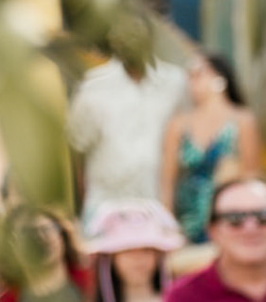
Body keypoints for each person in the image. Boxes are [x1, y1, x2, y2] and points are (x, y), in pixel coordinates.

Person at [68, 23, 188, 217]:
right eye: (123, 36)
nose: (130, 42)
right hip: (106, 205)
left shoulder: (175, 83)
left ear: (150, 39)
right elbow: (78, 149)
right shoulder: (93, 87)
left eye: (136, 35)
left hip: (159, 206)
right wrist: (86, 203)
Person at [160, 50, 261, 243]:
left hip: (230, 218)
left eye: (199, 73)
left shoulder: (243, 121)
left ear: (219, 78)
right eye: (189, 76)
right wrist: (167, 226)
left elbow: (252, 176)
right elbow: (167, 182)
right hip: (187, 222)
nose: (191, 81)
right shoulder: (178, 125)